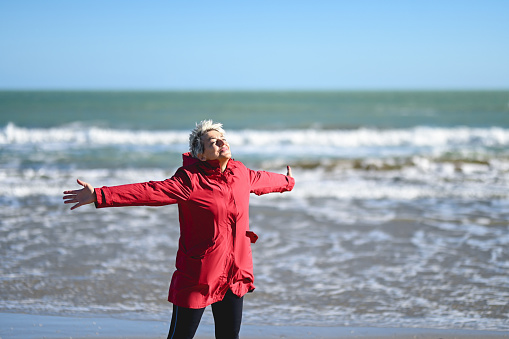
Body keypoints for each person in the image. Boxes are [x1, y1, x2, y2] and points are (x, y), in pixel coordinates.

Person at [63, 120, 295, 339]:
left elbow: (262, 179)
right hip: (199, 275)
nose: (222, 142)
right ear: (201, 154)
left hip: (234, 274)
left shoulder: (240, 173)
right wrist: (100, 195)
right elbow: (148, 191)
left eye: (223, 138)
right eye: (214, 141)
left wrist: (287, 182)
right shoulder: (190, 181)